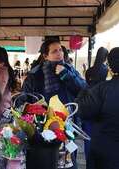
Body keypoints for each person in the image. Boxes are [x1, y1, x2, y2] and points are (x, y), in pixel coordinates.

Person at [22, 39, 87, 169]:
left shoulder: (69, 69)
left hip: (68, 125)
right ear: (45, 56)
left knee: (67, 160)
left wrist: (66, 75)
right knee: (45, 160)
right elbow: (26, 102)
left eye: (60, 50)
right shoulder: (35, 75)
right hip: (42, 128)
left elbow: (83, 90)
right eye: (54, 51)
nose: (59, 53)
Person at [77, 47, 119, 169]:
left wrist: (83, 92)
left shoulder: (102, 89)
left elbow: (84, 111)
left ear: (110, 67)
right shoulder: (102, 89)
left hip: (104, 150)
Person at [81, 47, 108, 169]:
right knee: (97, 136)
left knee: (87, 136)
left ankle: (89, 160)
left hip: (88, 103)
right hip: (99, 105)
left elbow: (85, 85)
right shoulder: (105, 69)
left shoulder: (90, 70)